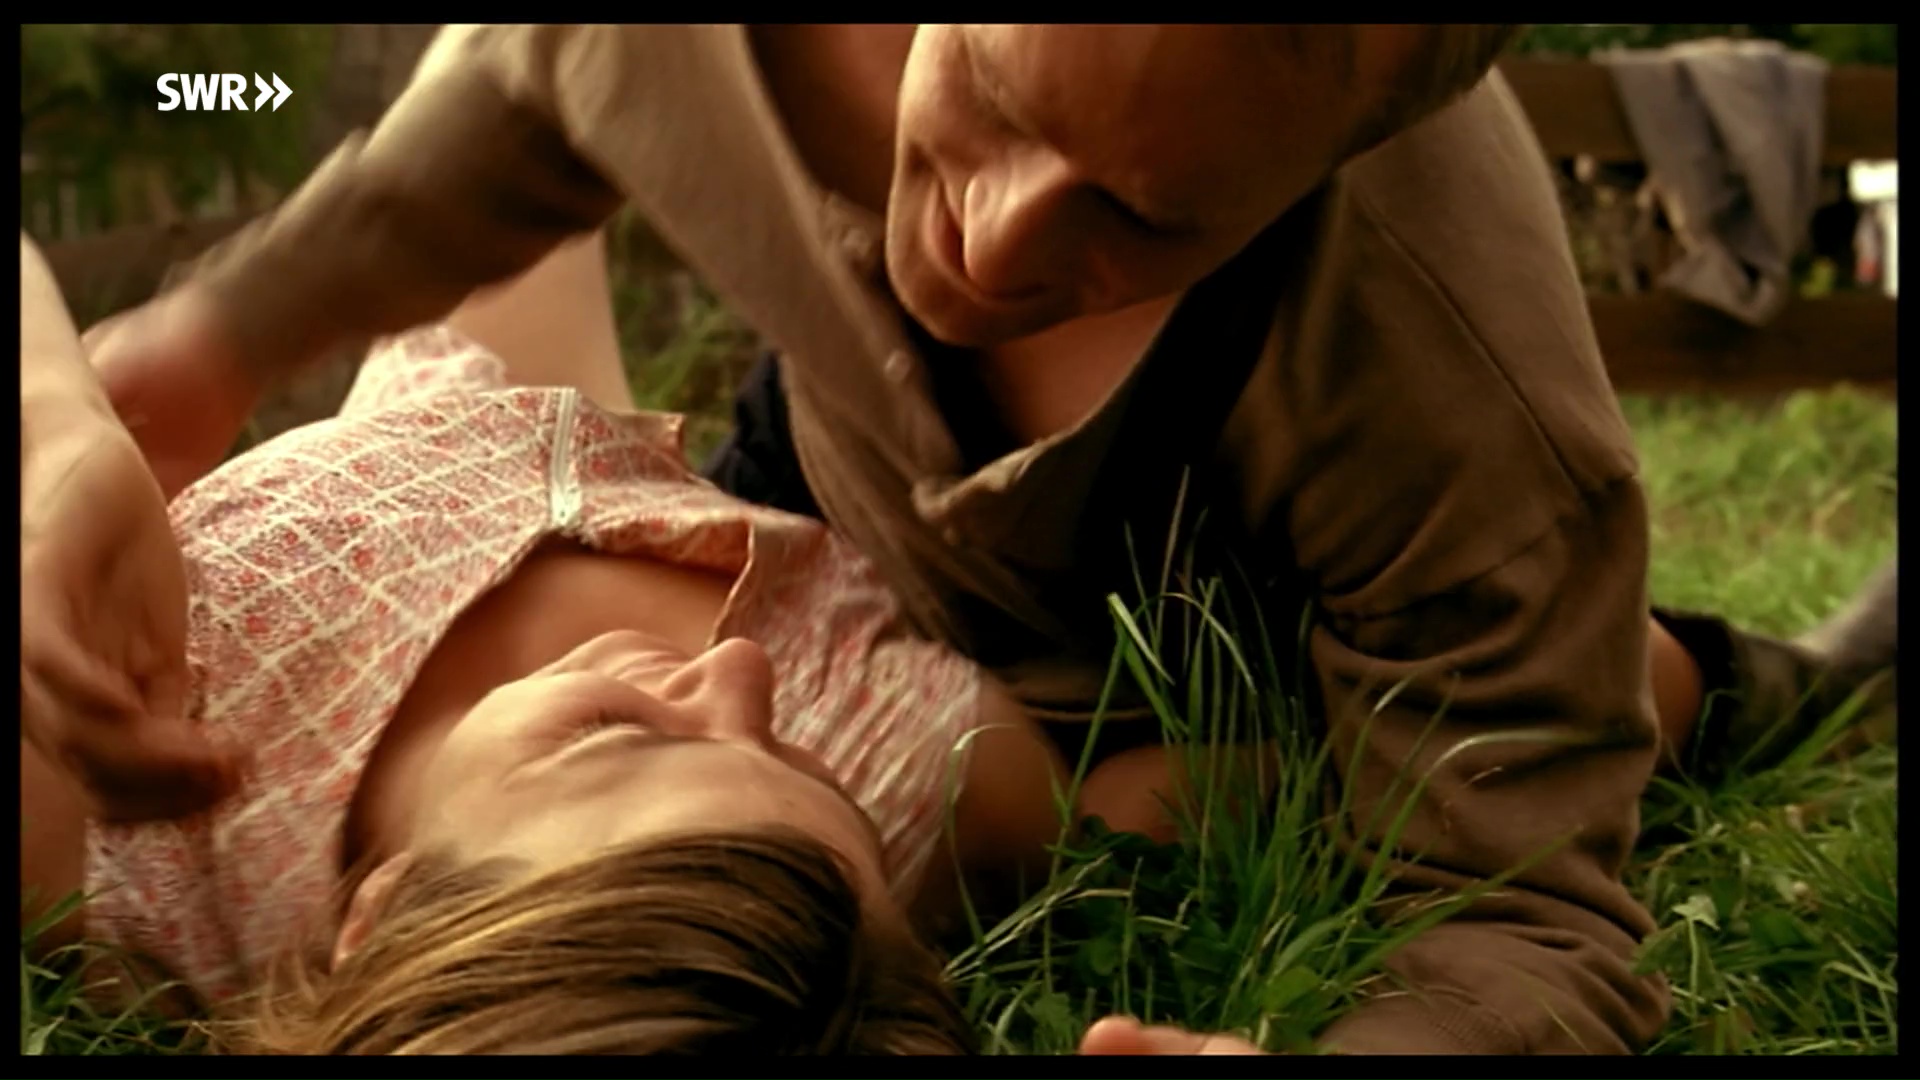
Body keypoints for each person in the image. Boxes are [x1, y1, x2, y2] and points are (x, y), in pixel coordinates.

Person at [47, 25, 1895, 1054]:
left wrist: (78, 412)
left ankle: (1765, 678)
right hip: (837, 497)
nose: (989, 250)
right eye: (988, 106)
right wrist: (225, 334)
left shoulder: (1449, 392)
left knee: (1530, 698)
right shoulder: (875, 764)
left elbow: (1526, 895)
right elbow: (531, 98)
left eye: (1140, 215)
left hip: (1194, 564)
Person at [22, 228, 1098, 1053]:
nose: (740, 673)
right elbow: (1134, 796)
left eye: (613, 734)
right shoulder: (928, 769)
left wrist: (59, 423)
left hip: (409, 451)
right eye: (802, 766)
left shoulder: (111, 774)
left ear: (379, 911)